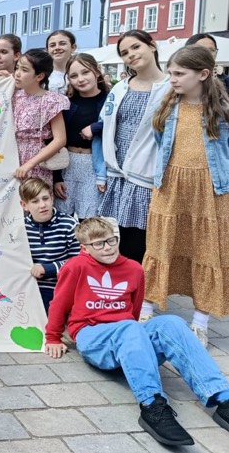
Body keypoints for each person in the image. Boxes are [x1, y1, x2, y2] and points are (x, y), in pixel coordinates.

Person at [45, 217, 229, 447]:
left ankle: (222, 397)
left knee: (171, 322)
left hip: (128, 335)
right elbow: (59, 304)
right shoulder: (75, 267)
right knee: (129, 326)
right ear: (85, 248)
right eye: (98, 244)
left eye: (111, 240)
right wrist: (52, 337)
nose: (108, 247)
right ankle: (152, 404)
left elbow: (134, 308)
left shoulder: (133, 269)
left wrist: (135, 343)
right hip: (93, 335)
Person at [140, 45, 229, 346]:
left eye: (179, 73)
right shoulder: (166, 106)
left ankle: (200, 322)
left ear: (203, 74)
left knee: (207, 251)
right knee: (160, 245)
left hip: (210, 189)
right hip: (171, 186)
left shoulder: (222, 110)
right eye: (171, 73)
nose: (173, 79)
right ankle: (146, 310)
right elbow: (160, 141)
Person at [97, 30, 169, 267]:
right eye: (124, 53)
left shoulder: (170, 87)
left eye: (136, 47)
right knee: (118, 238)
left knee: (143, 239)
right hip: (118, 172)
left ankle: (141, 286)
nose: (131, 55)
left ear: (152, 46)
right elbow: (107, 125)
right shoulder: (120, 88)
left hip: (147, 172)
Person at [53, 54, 109, 220]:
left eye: (85, 72)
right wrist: (56, 177)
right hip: (67, 164)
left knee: (89, 220)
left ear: (96, 72)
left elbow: (118, 124)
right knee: (63, 218)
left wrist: (95, 127)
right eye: (74, 76)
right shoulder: (67, 103)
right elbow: (55, 139)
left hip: (94, 166)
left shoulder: (110, 99)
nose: (81, 79)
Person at [20, 179, 79, 312]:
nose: (42, 205)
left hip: (61, 285)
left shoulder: (69, 224)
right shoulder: (20, 228)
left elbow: (80, 261)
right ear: (24, 205)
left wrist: (50, 268)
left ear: (52, 198)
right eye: (35, 201)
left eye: (45, 198)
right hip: (30, 286)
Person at [12, 49, 70, 185]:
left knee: (36, 196)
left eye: (24, 70)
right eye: (17, 68)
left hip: (38, 161)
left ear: (39, 76)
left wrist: (30, 164)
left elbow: (60, 139)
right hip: (11, 156)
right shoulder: (13, 96)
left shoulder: (51, 100)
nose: (17, 73)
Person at [46, 30, 77, 95]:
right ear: (47, 50)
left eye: (62, 44)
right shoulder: (42, 75)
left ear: (73, 47)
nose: (57, 48)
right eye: (52, 45)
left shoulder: (83, 72)